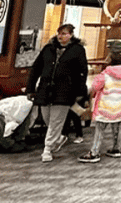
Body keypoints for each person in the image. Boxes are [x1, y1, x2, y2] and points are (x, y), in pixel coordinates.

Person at [26, 23, 89, 163]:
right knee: (48, 119)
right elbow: (36, 68)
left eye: (64, 34)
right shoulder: (48, 49)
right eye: (59, 33)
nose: (60, 36)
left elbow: (82, 72)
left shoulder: (78, 50)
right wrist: (30, 88)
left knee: (56, 120)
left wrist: (80, 91)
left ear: (71, 35)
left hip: (65, 91)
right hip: (45, 90)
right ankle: (58, 138)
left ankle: (47, 149)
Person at [79, 49, 121, 163]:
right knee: (117, 129)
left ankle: (94, 153)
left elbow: (95, 86)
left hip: (105, 106)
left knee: (99, 130)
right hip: (120, 106)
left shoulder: (106, 73)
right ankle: (116, 149)